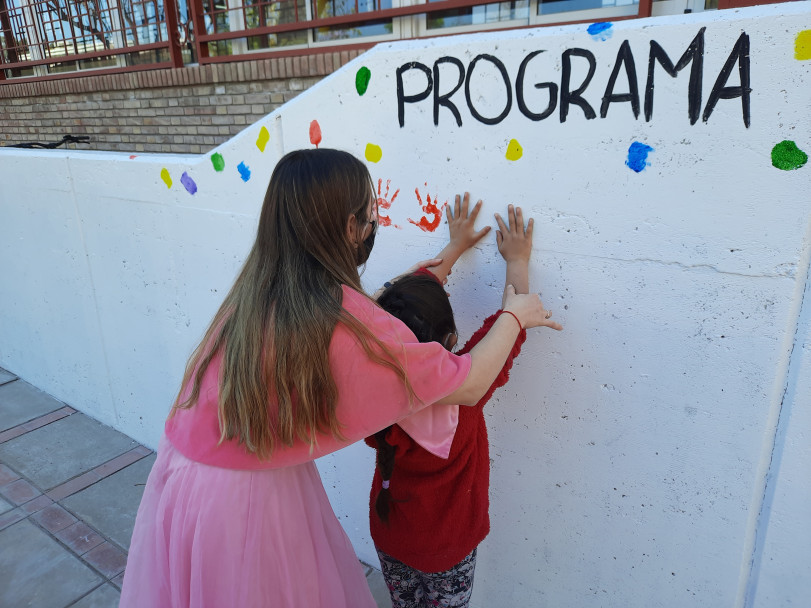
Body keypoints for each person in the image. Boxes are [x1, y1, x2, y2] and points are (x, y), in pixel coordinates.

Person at [119, 148, 556, 608]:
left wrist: (451, 250)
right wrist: (515, 312)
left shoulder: (261, 289)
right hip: (243, 504)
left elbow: (384, 300)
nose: (374, 222)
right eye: (370, 213)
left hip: (184, 481)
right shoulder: (357, 333)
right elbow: (470, 380)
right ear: (349, 227)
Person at [365, 199, 561, 608]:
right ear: (451, 340)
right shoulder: (468, 394)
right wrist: (517, 260)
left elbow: (399, 307)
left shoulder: (371, 388)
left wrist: (452, 247)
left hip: (389, 536)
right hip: (447, 552)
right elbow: (509, 327)